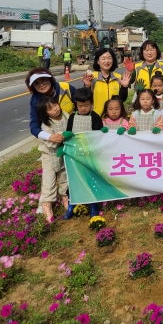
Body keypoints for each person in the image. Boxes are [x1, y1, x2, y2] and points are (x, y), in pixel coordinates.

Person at [62, 87, 103, 220]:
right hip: (75, 154)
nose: (83, 108)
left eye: (86, 105)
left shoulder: (95, 117)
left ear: (91, 103)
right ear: (76, 104)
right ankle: (71, 204)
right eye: (80, 106)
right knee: (74, 178)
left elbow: (98, 136)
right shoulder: (72, 117)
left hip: (89, 154)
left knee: (91, 179)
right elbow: (68, 132)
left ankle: (94, 205)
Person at [35, 96, 69, 222]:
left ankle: (65, 197)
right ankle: (46, 204)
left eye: (55, 105)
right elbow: (49, 141)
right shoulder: (46, 125)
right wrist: (59, 137)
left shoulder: (66, 115)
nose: (55, 109)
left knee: (64, 176)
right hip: (50, 155)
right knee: (49, 180)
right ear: (45, 114)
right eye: (50, 109)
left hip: (64, 153)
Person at [26, 68, 76, 140]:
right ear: (33, 87)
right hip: (55, 137)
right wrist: (49, 137)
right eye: (36, 83)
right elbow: (34, 126)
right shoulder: (35, 101)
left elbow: (82, 102)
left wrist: (87, 86)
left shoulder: (65, 87)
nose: (41, 85)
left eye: (43, 80)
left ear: (49, 79)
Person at [82, 47, 131, 115]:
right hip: (97, 117)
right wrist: (87, 86)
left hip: (114, 117)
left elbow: (122, 99)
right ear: (98, 61)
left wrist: (125, 86)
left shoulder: (118, 78)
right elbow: (85, 99)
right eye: (103, 58)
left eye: (109, 58)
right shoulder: (92, 77)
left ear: (113, 60)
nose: (106, 61)